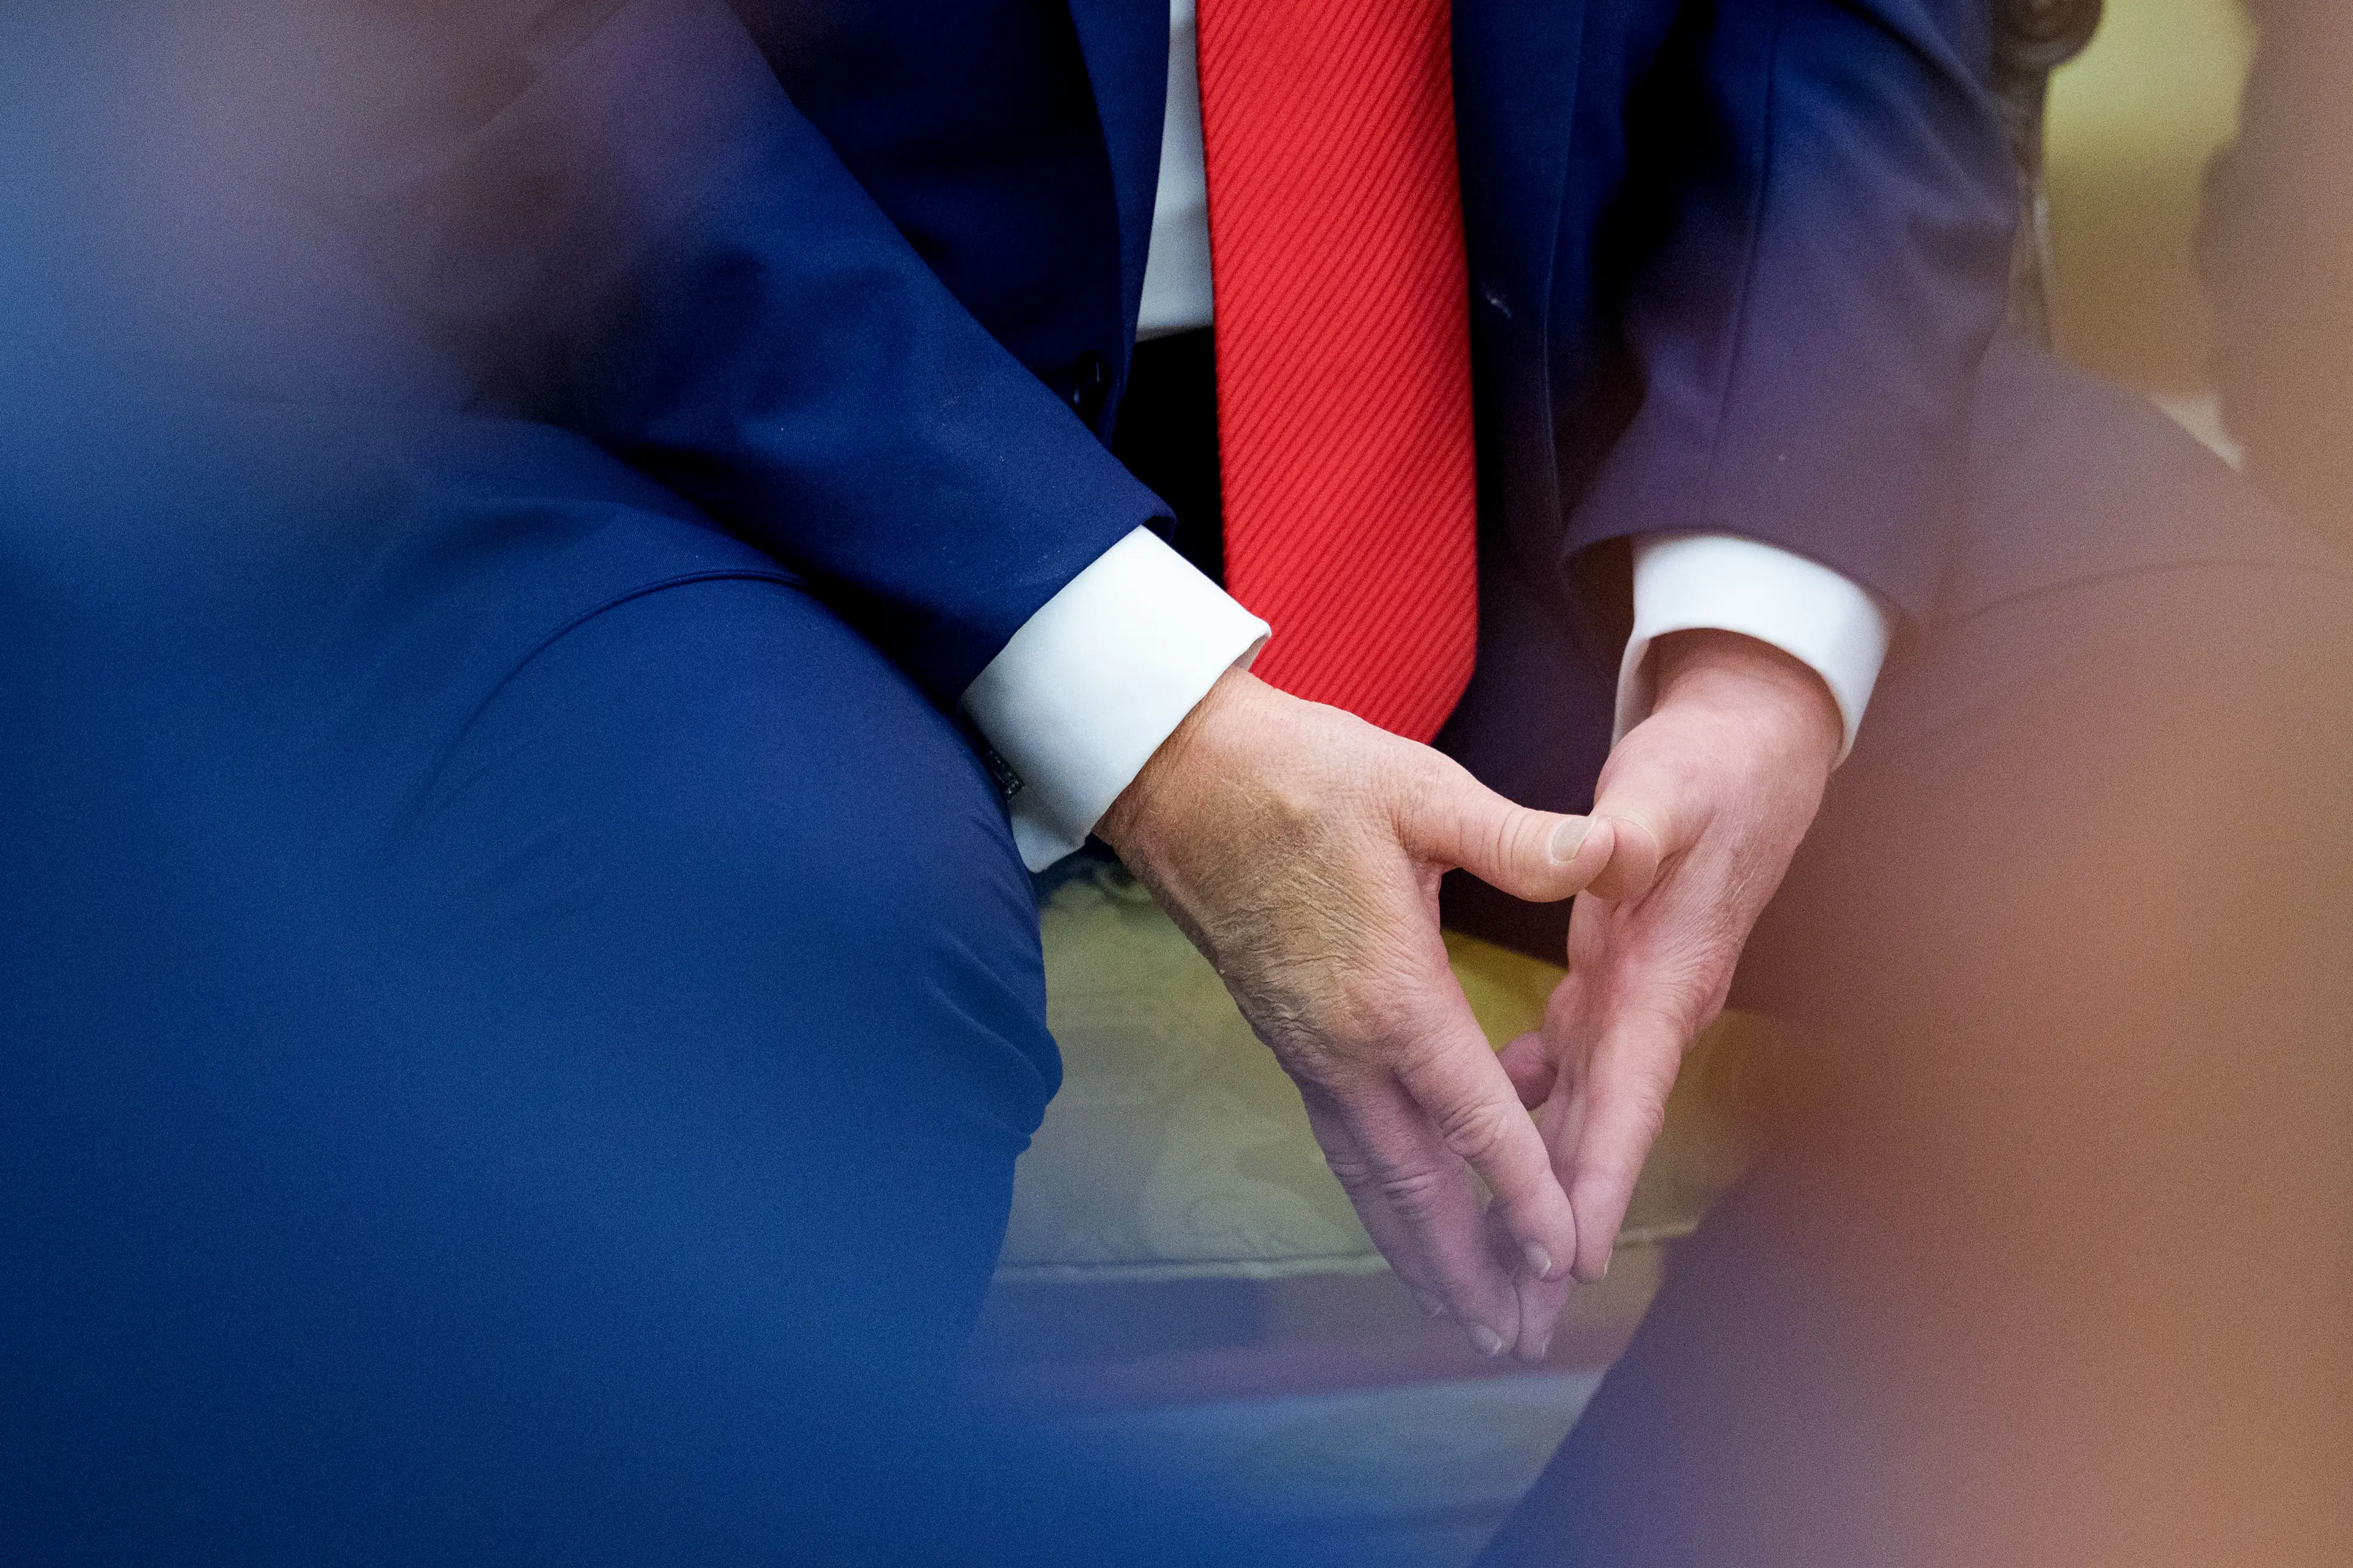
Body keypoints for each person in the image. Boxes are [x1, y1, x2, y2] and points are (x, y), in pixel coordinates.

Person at [0, 1, 2345, 1563]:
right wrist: (1149, 705)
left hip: (1586, 335)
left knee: (2275, 840)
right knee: (748, 929)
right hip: (728, 407)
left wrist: (1764, 626)